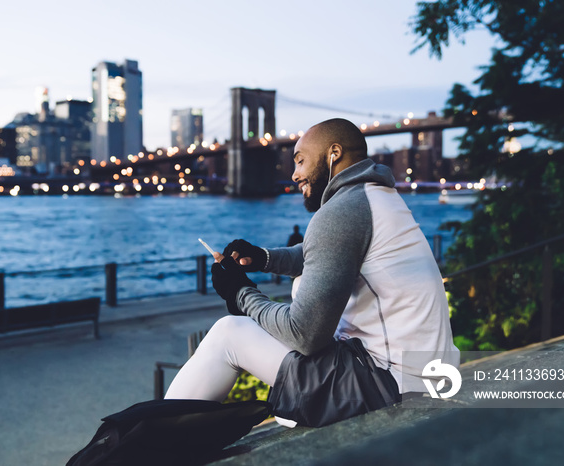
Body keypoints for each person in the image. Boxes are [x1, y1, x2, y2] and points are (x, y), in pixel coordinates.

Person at [165, 118, 459, 426]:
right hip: (427, 377)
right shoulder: (375, 197)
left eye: (301, 161)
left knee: (229, 334)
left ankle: (152, 444)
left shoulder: (340, 212)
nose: (294, 175)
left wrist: (241, 294)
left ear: (334, 154)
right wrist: (263, 258)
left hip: (389, 387)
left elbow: (304, 336)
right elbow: (321, 256)